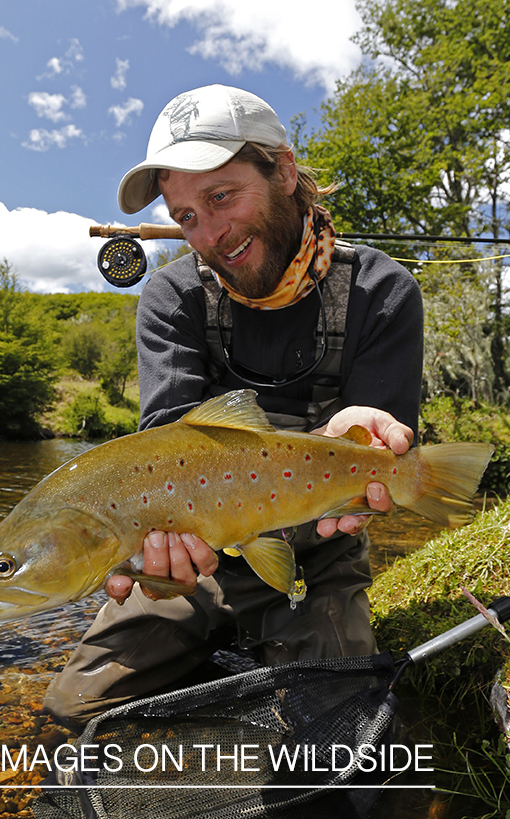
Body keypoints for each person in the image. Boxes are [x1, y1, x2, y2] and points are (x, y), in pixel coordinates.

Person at [44, 84, 423, 729]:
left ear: (284, 169)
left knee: (339, 729)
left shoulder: (380, 292)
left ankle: (245, 654)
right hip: (197, 560)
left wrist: (369, 450)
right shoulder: (172, 298)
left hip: (318, 552)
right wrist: (153, 562)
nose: (209, 234)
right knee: (76, 712)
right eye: (186, 215)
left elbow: (375, 459)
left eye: (221, 196)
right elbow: (161, 449)